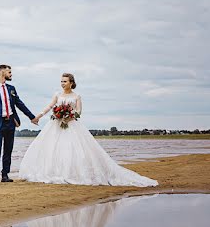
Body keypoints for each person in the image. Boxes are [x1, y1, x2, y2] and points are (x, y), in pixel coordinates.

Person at [18, 73, 157, 186]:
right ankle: (55, 172)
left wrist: (69, 116)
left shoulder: (76, 96)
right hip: (56, 125)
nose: (62, 83)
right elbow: (49, 107)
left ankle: (73, 174)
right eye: (61, 81)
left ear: (71, 82)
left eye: (65, 81)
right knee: (53, 149)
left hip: (71, 124)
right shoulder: (57, 95)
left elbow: (79, 112)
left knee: (72, 149)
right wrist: (38, 116)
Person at [0, 65, 37, 184]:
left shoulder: (11, 88)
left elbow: (19, 104)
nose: (11, 74)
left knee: (8, 150)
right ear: (2, 72)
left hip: (10, 123)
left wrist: (32, 117)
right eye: (9, 72)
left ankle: (5, 175)